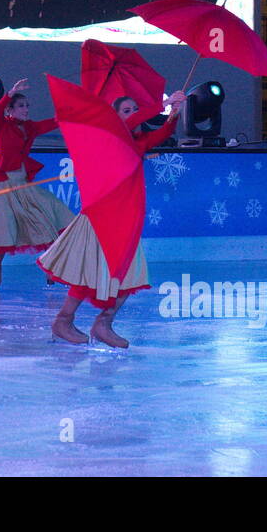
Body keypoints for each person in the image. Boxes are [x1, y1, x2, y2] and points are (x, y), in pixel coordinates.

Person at [37, 91, 185, 348]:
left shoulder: (137, 142)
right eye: (126, 111)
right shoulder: (112, 136)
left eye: (134, 110)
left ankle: (103, 323)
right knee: (90, 272)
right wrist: (162, 104)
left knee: (130, 273)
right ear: (115, 118)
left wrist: (174, 113)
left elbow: (161, 135)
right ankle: (63, 320)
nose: (132, 115)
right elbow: (124, 125)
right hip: (102, 215)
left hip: (125, 218)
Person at [0, 78, 75, 287]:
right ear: (10, 109)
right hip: (2, 182)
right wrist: (9, 94)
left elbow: (53, 122)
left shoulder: (29, 128)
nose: (26, 109)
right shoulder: (2, 124)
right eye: (21, 106)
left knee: (50, 217)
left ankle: (52, 266)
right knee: (4, 227)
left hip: (22, 181)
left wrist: (70, 113)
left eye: (27, 106)